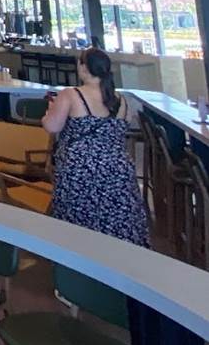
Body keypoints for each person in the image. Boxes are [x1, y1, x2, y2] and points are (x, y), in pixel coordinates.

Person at [41, 47, 149, 246]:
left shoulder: (71, 94)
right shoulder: (121, 101)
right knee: (118, 224)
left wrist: (50, 112)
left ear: (84, 68)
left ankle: (80, 261)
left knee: (78, 225)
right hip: (117, 170)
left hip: (80, 170)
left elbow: (52, 126)